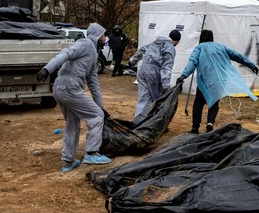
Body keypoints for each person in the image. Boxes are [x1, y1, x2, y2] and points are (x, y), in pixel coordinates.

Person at [36, 22, 112, 172]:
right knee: (96, 116)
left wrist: (100, 106)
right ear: (97, 35)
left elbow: (93, 82)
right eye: (103, 34)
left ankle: (68, 161)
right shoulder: (86, 44)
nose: (105, 37)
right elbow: (66, 53)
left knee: (72, 123)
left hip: (61, 87)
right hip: (69, 87)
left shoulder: (93, 53)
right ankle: (91, 153)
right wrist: (48, 68)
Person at [176, 29, 259, 134]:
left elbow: (193, 61)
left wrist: (184, 75)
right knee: (214, 103)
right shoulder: (221, 47)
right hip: (219, 81)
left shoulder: (199, 48)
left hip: (205, 81)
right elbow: (237, 56)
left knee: (198, 103)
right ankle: (210, 123)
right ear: (212, 38)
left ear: (201, 38)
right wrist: (251, 65)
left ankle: (195, 127)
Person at [129, 29, 180, 120]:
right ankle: (155, 122)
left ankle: (138, 120)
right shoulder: (170, 47)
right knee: (158, 99)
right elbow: (166, 67)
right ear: (177, 41)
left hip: (143, 69)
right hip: (154, 72)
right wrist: (165, 86)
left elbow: (142, 49)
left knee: (143, 96)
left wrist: (132, 60)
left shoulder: (155, 43)